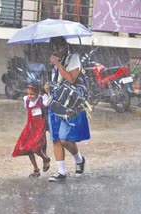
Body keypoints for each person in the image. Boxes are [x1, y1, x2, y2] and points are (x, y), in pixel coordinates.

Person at [46, 36, 90, 182]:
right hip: (55, 102)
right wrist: (48, 87)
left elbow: (71, 78)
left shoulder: (73, 58)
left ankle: (79, 159)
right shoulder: (55, 61)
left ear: (65, 46)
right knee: (56, 139)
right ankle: (61, 172)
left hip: (68, 104)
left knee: (65, 139)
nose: (56, 52)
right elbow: (57, 81)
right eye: (54, 49)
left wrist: (58, 64)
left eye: (58, 48)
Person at [12, 84, 50, 178]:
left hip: (40, 127)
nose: (29, 96)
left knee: (35, 147)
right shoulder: (26, 100)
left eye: (32, 94)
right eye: (28, 93)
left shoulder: (42, 100)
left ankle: (46, 159)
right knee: (27, 148)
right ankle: (36, 169)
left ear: (39, 93)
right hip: (30, 127)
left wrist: (48, 92)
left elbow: (49, 104)